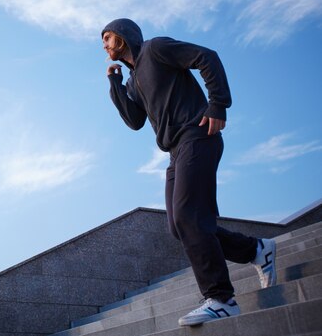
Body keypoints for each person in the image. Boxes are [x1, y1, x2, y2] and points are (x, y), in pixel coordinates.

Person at [102, 18, 277, 326]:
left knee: (189, 217)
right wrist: (116, 86)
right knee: (179, 226)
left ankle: (221, 299)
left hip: (197, 135)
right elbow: (135, 121)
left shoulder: (156, 49)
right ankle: (256, 249)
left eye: (107, 37)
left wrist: (218, 104)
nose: (103, 44)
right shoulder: (132, 82)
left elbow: (205, 56)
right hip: (175, 151)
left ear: (123, 36)